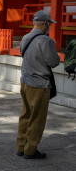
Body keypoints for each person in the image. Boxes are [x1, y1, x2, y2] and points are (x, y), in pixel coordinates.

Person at [17, 10, 60, 159]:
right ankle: (30, 150)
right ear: (45, 24)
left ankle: (21, 147)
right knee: (37, 118)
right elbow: (53, 62)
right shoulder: (46, 41)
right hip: (39, 84)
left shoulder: (25, 38)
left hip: (25, 81)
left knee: (25, 115)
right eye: (49, 24)